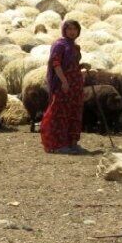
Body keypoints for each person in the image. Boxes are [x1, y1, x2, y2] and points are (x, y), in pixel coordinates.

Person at [41, 19, 89, 155]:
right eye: (69, 29)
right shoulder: (59, 45)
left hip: (75, 85)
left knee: (74, 112)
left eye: (75, 29)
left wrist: (82, 66)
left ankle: (71, 142)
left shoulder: (74, 46)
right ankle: (57, 144)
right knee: (60, 114)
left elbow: (71, 64)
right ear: (64, 30)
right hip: (64, 85)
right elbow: (56, 64)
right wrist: (64, 82)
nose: (72, 32)